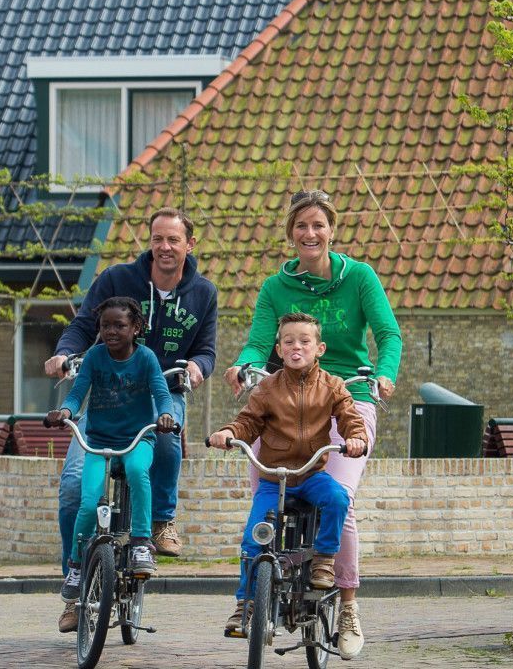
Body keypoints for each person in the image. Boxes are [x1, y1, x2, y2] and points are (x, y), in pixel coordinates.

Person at [220, 189, 400, 657]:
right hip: (285, 398)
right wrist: (244, 367)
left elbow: (387, 333)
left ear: (331, 230)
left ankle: (347, 607)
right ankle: (259, 586)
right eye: (301, 226)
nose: (310, 233)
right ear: (290, 233)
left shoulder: (359, 277)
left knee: (340, 497)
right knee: (268, 490)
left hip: (348, 399)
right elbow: (260, 342)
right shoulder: (275, 288)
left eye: (318, 225)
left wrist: (383, 374)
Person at [45, 208, 218, 631]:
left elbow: (207, 350)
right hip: (104, 397)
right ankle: (77, 584)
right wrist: (64, 354)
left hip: (162, 392)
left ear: (188, 245)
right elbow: (83, 326)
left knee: (167, 438)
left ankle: (160, 521)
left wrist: (197, 367)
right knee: (72, 490)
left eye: (173, 240)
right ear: (150, 241)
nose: (164, 247)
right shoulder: (116, 281)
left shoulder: (203, 293)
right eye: (158, 239)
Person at [207, 312, 369, 638]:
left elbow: (350, 417)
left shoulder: (332, 387)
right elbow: (248, 422)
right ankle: (246, 604)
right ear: (279, 350)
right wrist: (228, 433)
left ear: (319, 348)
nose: (297, 347)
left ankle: (323, 559)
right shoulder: (267, 389)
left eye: (304, 342)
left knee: (337, 499)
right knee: (255, 535)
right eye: (289, 342)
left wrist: (357, 438)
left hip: (311, 475)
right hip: (274, 479)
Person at [46, 296, 178, 605]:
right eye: (105, 326)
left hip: (137, 439)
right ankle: (76, 566)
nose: (111, 331)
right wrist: (65, 412)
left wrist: (165, 415)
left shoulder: (146, 358)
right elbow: (78, 393)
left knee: (136, 471)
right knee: (88, 500)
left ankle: (142, 542)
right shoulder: (94, 356)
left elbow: (162, 393)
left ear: (135, 328)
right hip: (99, 442)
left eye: (119, 325)